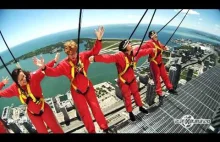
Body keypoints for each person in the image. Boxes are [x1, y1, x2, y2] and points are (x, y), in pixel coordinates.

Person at [33, 26, 115, 133]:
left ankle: (105, 127)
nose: (72, 56)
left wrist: (99, 39)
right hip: (77, 91)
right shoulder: (64, 64)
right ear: (67, 54)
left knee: (96, 108)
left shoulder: (83, 56)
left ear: (77, 51)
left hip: (88, 87)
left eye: (74, 53)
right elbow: (53, 72)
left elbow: (94, 51)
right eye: (70, 54)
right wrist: (44, 67)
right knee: (85, 113)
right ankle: (91, 131)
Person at [89, 39, 156, 121]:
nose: (131, 44)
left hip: (132, 79)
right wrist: (95, 58)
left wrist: (152, 49)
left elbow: (143, 51)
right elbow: (108, 58)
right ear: (124, 47)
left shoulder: (133, 53)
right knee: (127, 97)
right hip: (124, 82)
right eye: (128, 44)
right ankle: (130, 112)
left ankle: (140, 107)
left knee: (136, 94)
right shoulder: (119, 56)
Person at [0, 53, 64, 133]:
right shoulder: (14, 88)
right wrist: (2, 84)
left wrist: (54, 61)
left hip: (44, 108)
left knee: (56, 128)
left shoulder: (33, 77)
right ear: (17, 82)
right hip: (33, 114)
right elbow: (1, 93)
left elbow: (43, 69)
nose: (24, 79)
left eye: (23, 76)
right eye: (21, 79)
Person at [141, 30, 178, 107]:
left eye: (156, 33)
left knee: (165, 76)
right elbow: (143, 48)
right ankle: (160, 94)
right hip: (154, 62)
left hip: (160, 62)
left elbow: (161, 46)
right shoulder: (149, 43)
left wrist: (165, 48)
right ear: (151, 36)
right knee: (157, 78)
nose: (156, 34)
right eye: (154, 34)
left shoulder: (158, 42)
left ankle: (170, 88)